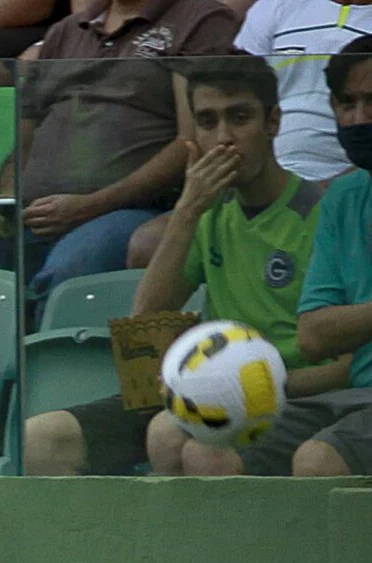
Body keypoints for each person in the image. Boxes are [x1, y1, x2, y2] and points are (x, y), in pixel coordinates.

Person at [24, 57, 367, 475]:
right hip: (209, 390)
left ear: (273, 122)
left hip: (295, 395)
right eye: (207, 122)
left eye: (239, 118)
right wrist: (187, 208)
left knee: (173, 438)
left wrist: (258, 384)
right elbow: (145, 323)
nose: (224, 138)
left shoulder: (321, 214)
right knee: (42, 440)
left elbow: (353, 365)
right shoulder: (206, 213)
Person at [0, 0, 238, 299]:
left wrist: (92, 205)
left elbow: (192, 140)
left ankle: (50, 361)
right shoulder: (67, 31)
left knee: (68, 276)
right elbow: (26, 135)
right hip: (34, 217)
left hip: (136, 211)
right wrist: (8, 198)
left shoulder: (201, 21)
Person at [293, 37, 372, 475]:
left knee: (318, 459)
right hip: (355, 396)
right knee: (210, 444)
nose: (359, 119)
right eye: (347, 103)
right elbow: (313, 335)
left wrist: (353, 321)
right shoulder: (343, 198)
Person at [235, 0, 372, 185]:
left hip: (356, 184)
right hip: (266, 183)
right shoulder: (273, 7)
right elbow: (234, 98)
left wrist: (338, 189)